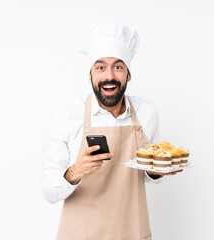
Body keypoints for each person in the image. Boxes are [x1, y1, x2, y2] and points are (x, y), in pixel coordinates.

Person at [41, 23, 182, 240]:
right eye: (100, 67)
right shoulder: (67, 115)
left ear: (129, 75)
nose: (109, 76)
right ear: (90, 75)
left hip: (131, 232)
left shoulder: (147, 112)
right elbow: (49, 191)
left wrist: (157, 170)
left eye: (118, 67)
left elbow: (148, 173)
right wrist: (75, 172)